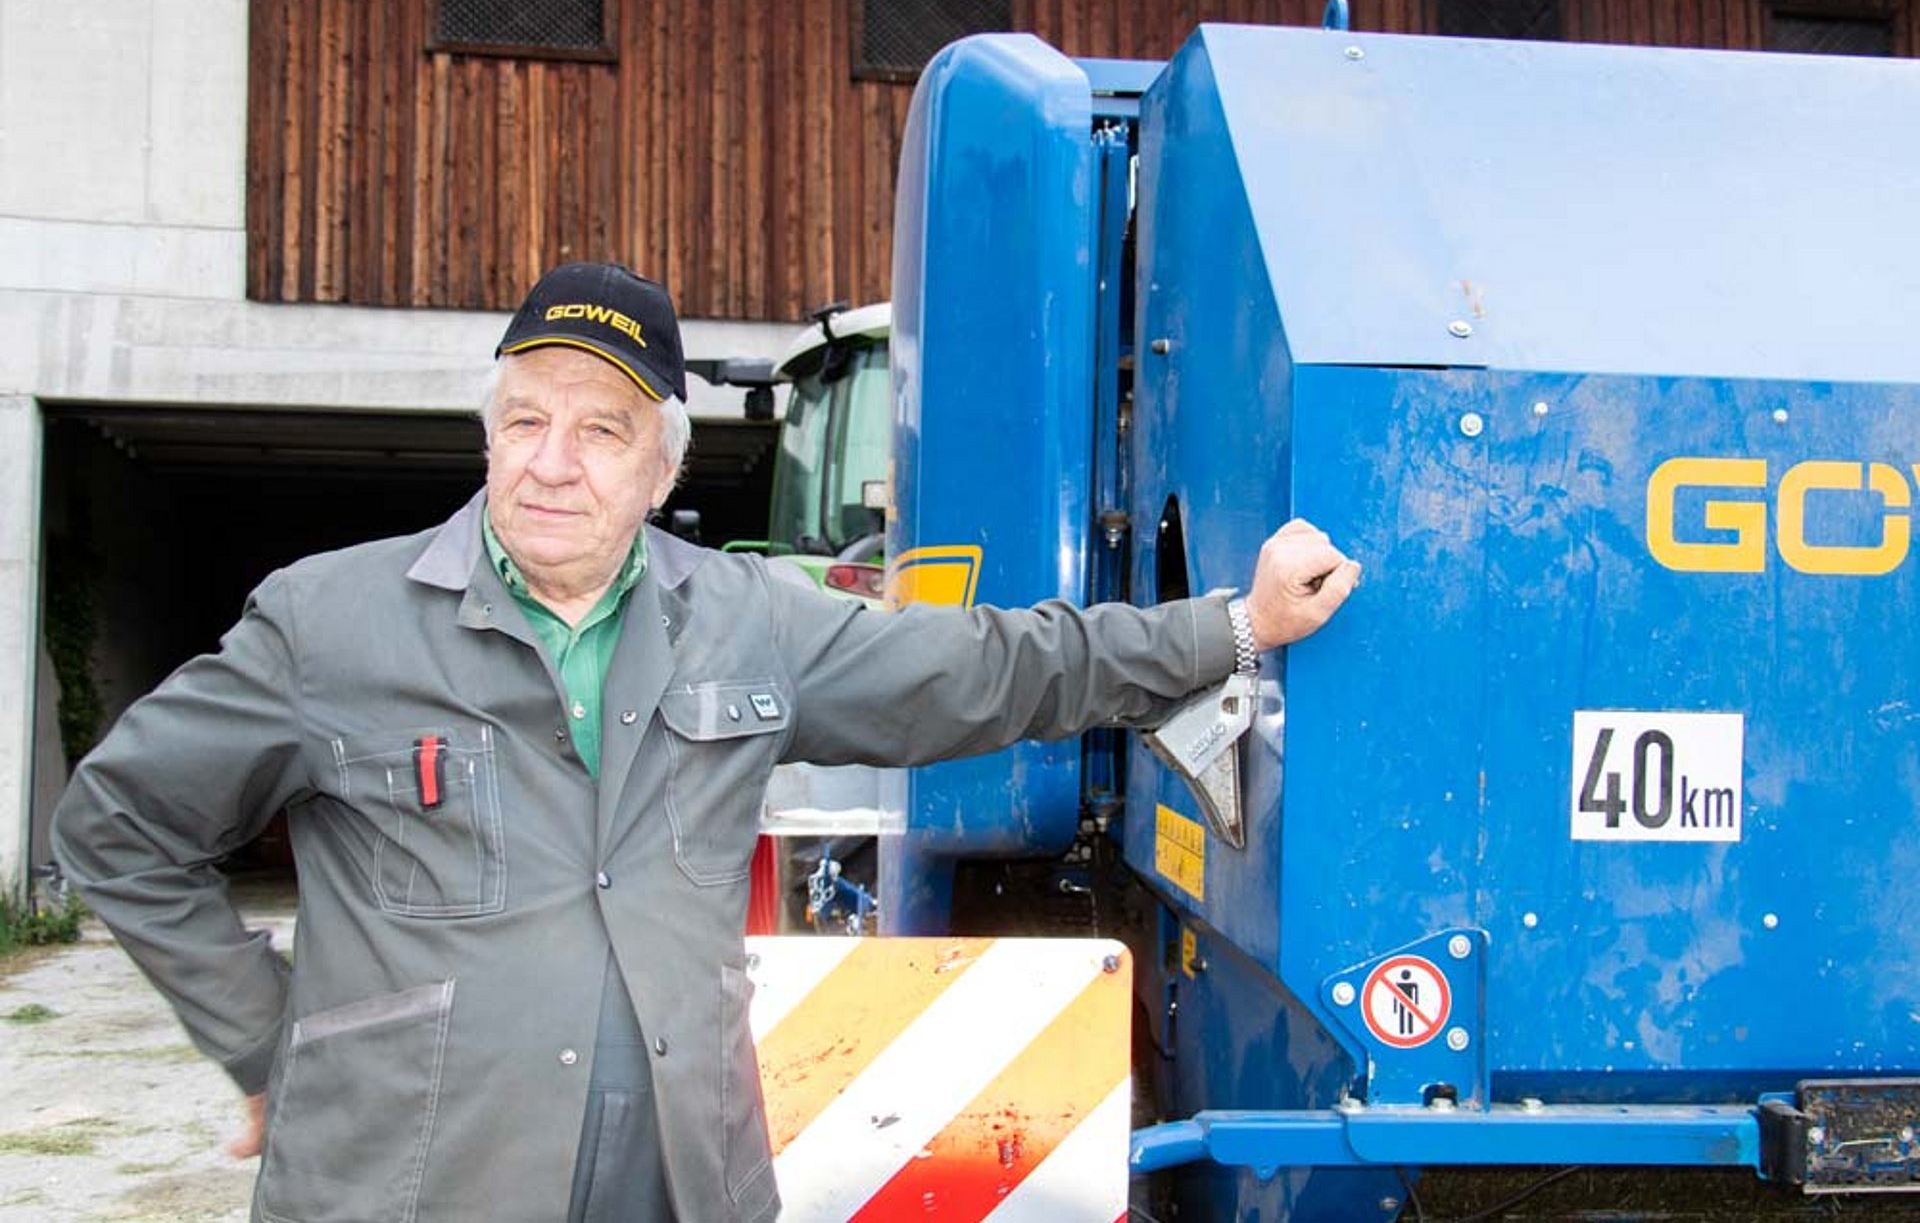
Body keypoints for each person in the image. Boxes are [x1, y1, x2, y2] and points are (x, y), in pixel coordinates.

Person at [53, 261, 1362, 1223]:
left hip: (686, 1177)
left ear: (659, 468)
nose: (552, 461)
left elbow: (988, 668)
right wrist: (269, 1039)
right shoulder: (329, 623)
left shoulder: (742, 622)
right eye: (526, 419)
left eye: (601, 428)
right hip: (414, 1180)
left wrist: (1229, 624)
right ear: (488, 432)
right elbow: (116, 824)